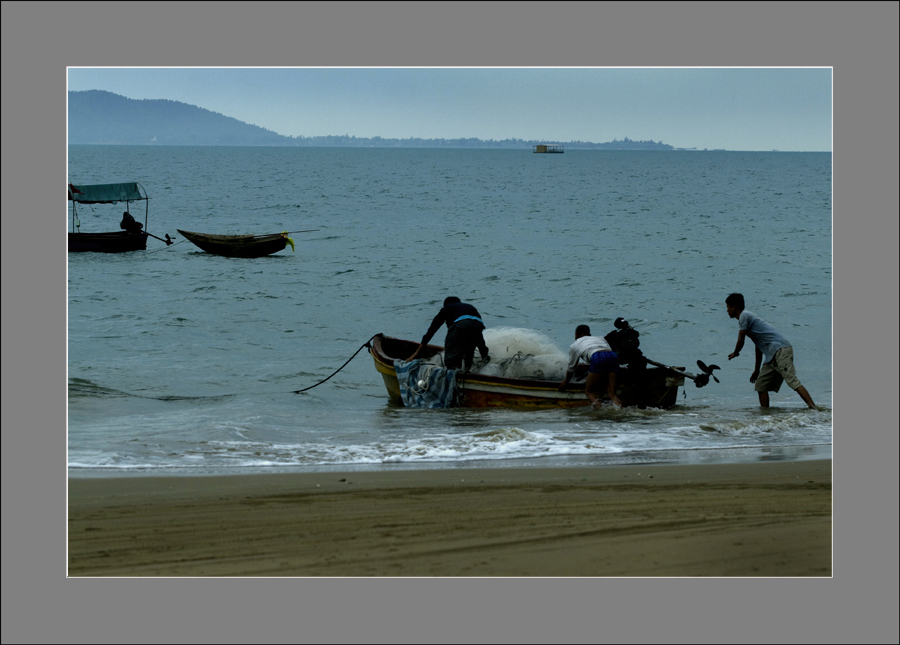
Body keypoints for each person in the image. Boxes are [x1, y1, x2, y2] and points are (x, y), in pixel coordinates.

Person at [726, 293, 817, 410]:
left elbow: (741, 338)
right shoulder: (747, 318)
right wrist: (756, 370)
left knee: (792, 381)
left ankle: (814, 409)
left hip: (781, 350)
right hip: (772, 354)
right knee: (760, 386)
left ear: (735, 307)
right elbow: (758, 346)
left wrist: (736, 352)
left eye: (728, 307)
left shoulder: (744, 316)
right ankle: (766, 416)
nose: (727, 310)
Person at [407, 296, 490, 372]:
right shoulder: (470, 307)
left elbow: (431, 330)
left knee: (451, 355)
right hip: (478, 324)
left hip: (460, 324)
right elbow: (479, 338)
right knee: (470, 347)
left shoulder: (446, 308)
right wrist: (484, 355)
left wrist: (416, 353)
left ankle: (453, 373)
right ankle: (467, 371)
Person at [558, 324, 623, 409]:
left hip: (597, 357)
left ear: (576, 335)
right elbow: (605, 355)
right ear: (589, 334)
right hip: (613, 356)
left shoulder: (574, 345)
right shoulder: (600, 338)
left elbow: (571, 368)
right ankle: (620, 411)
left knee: (589, 392)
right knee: (611, 393)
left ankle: (601, 412)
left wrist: (566, 382)